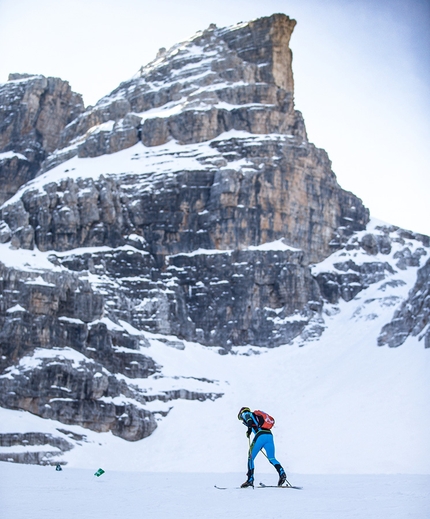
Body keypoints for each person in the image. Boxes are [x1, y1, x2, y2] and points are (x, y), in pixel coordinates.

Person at [237, 406, 287, 488]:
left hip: (260, 435)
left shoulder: (246, 413)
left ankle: (250, 479)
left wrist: (249, 430)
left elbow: (249, 420)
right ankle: (282, 473)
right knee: (272, 458)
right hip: (269, 435)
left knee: (250, 457)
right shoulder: (257, 416)